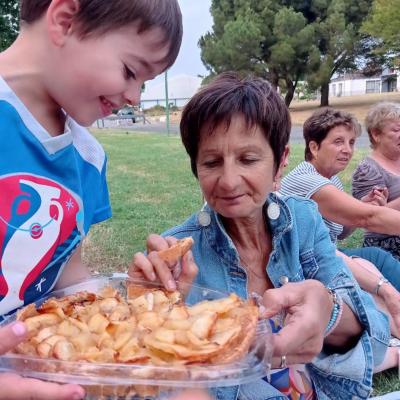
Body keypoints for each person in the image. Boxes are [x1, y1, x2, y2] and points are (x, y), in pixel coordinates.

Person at [130, 73, 391, 400]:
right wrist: (149, 314)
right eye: (211, 162)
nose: (228, 181)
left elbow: (375, 337)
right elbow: (148, 380)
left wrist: (329, 309)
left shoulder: (304, 221)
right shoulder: (178, 261)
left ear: (280, 161)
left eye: (248, 159)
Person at [0, 0, 182, 397]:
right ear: (65, 20)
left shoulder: (88, 159)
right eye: (131, 71)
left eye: (145, 84)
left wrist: (129, 311)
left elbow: (64, 271)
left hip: (37, 371)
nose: (134, 96)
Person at [280, 107, 400, 337]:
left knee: (374, 259)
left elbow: (341, 232)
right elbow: (367, 218)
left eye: (352, 142)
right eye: (338, 142)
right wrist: (364, 210)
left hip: (327, 255)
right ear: (314, 147)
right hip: (307, 267)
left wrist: (365, 203)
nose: (347, 150)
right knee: (376, 259)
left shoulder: (331, 178)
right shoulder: (307, 180)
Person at [352, 102, 400, 260]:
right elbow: (371, 219)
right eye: (396, 129)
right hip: (387, 246)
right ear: (376, 134)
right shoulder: (368, 170)